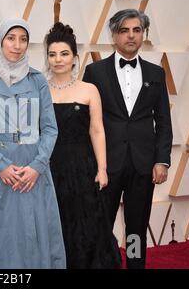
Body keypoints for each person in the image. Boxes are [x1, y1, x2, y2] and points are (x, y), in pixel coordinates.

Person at [0, 18, 66, 269]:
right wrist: (0, 164)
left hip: (32, 168)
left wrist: (37, 166)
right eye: (11, 38)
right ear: (0, 41)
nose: (17, 45)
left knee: (32, 235)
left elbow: (50, 128)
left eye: (23, 39)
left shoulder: (38, 80)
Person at [83, 9, 173, 269]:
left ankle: (135, 266)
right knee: (100, 227)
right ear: (114, 35)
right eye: (124, 30)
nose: (131, 36)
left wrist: (162, 161)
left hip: (143, 166)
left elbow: (164, 121)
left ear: (143, 34)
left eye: (136, 30)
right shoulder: (95, 72)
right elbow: (87, 123)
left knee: (136, 230)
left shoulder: (156, 74)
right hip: (105, 166)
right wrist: (92, 164)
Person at [45, 22, 121, 269]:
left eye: (64, 54)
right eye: (52, 54)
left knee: (88, 227)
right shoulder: (39, 91)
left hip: (83, 168)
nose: (58, 60)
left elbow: (97, 130)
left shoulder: (89, 90)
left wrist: (102, 168)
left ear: (75, 57)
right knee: (54, 224)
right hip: (48, 167)